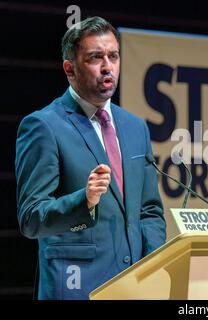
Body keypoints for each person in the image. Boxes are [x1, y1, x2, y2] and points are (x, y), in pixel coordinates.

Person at [15, 16, 166, 300]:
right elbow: (32, 218)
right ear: (70, 69)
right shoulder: (43, 126)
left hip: (135, 288)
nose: (107, 66)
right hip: (76, 286)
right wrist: (83, 202)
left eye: (113, 56)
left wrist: (152, 265)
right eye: (95, 58)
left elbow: (149, 211)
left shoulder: (136, 128)